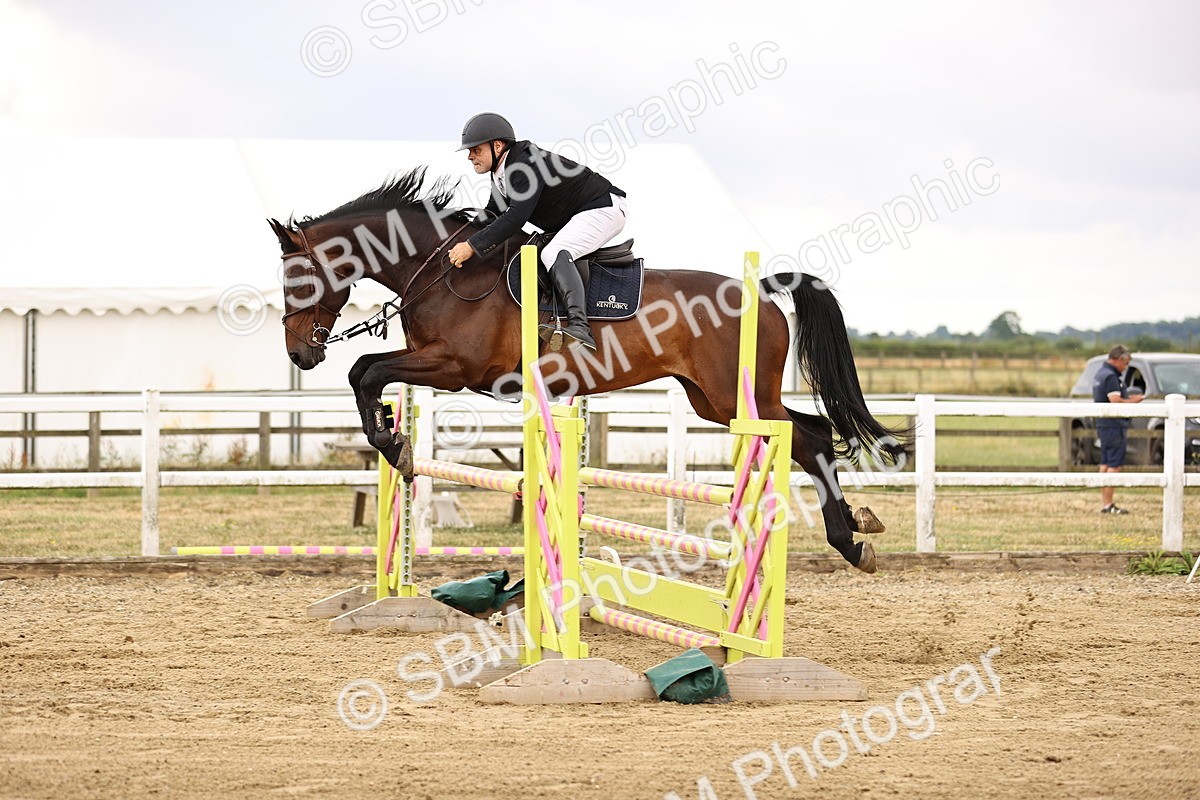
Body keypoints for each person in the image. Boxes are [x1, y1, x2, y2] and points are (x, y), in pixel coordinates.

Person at [446, 112, 628, 352]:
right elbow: (493, 214)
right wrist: (456, 232)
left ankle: (580, 326)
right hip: (580, 213)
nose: (470, 156)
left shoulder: (524, 165)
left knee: (553, 253)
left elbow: (515, 218)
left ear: (497, 146)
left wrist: (472, 246)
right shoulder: (502, 170)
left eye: (475, 150)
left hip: (604, 208)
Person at [1092, 344, 1143, 514]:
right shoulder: (1110, 376)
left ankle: (1106, 503)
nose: (1126, 367)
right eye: (1126, 362)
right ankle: (1108, 504)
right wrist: (1133, 402)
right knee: (1114, 463)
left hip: (1104, 424)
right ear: (1119, 359)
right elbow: (1115, 401)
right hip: (1113, 424)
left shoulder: (1100, 373)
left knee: (1106, 462)